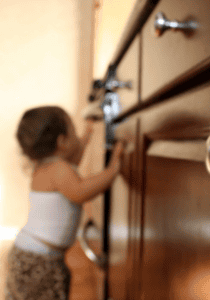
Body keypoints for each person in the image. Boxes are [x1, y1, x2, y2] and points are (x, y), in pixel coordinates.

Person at [5, 106, 124, 299]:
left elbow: (75, 156)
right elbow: (80, 191)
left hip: (32, 254)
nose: (78, 138)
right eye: (73, 131)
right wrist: (112, 170)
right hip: (40, 260)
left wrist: (87, 133)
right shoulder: (58, 170)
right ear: (62, 141)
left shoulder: (47, 167)